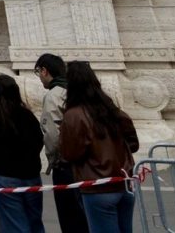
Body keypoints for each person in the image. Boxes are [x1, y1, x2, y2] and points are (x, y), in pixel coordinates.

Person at [59, 61, 139, 233]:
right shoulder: (111, 109)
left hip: (97, 186)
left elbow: (70, 153)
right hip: (123, 183)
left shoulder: (74, 115)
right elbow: (133, 142)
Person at [0, 74, 46, 233]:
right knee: (34, 220)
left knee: (13, 223)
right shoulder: (27, 116)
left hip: (3, 176)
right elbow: (39, 141)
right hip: (30, 174)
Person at [36, 53, 90, 233]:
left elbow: (52, 134)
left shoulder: (53, 95)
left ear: (44, 71)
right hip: (88, 161)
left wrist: (54, 159)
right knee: (86, 213)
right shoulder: (78, 91)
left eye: (38, 72)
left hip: (66, 163)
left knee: (70, 216)